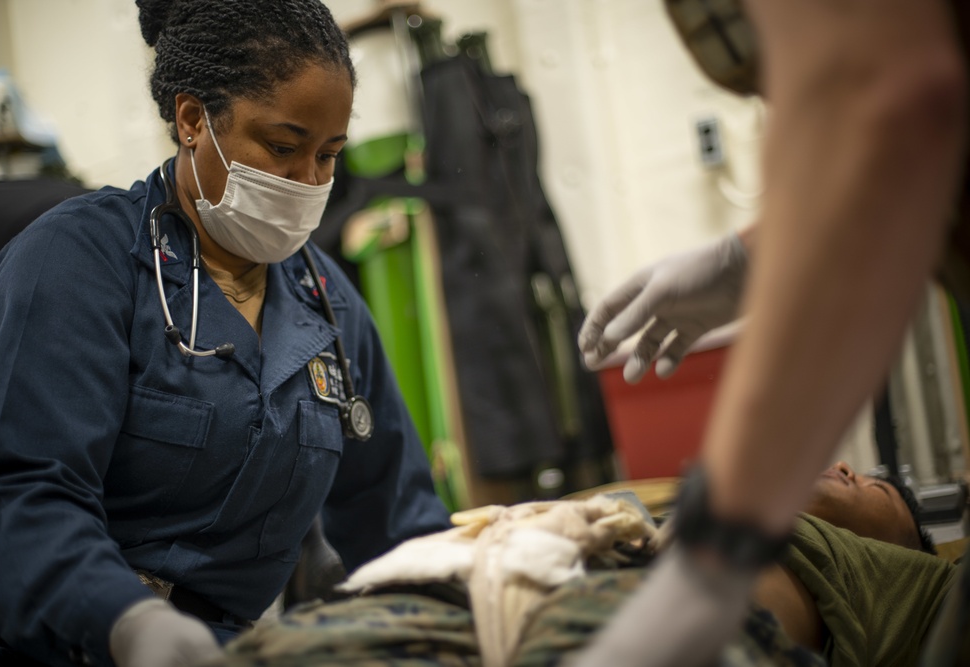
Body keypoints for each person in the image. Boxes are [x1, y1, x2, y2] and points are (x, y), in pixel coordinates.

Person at [0, 2, 451, 666]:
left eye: (329, 155)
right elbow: (22, 499)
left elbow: (398, 523)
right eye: (283, 147)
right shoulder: (78, 262)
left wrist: (468, 602)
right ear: (193, 121)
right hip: (69, 645)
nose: (309, 182)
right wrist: (128, 621)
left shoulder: (329, 307)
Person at [574, 0, 968, 664]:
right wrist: (756, 253)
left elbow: (889, 100)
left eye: (874, 481)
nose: (844, 468)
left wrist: (717, 552)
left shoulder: (841, 562)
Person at [193, 460, 953, 667]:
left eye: (883, 488)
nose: (852, 467)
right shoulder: (692, 506)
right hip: (442, 602)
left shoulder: (914, 584)